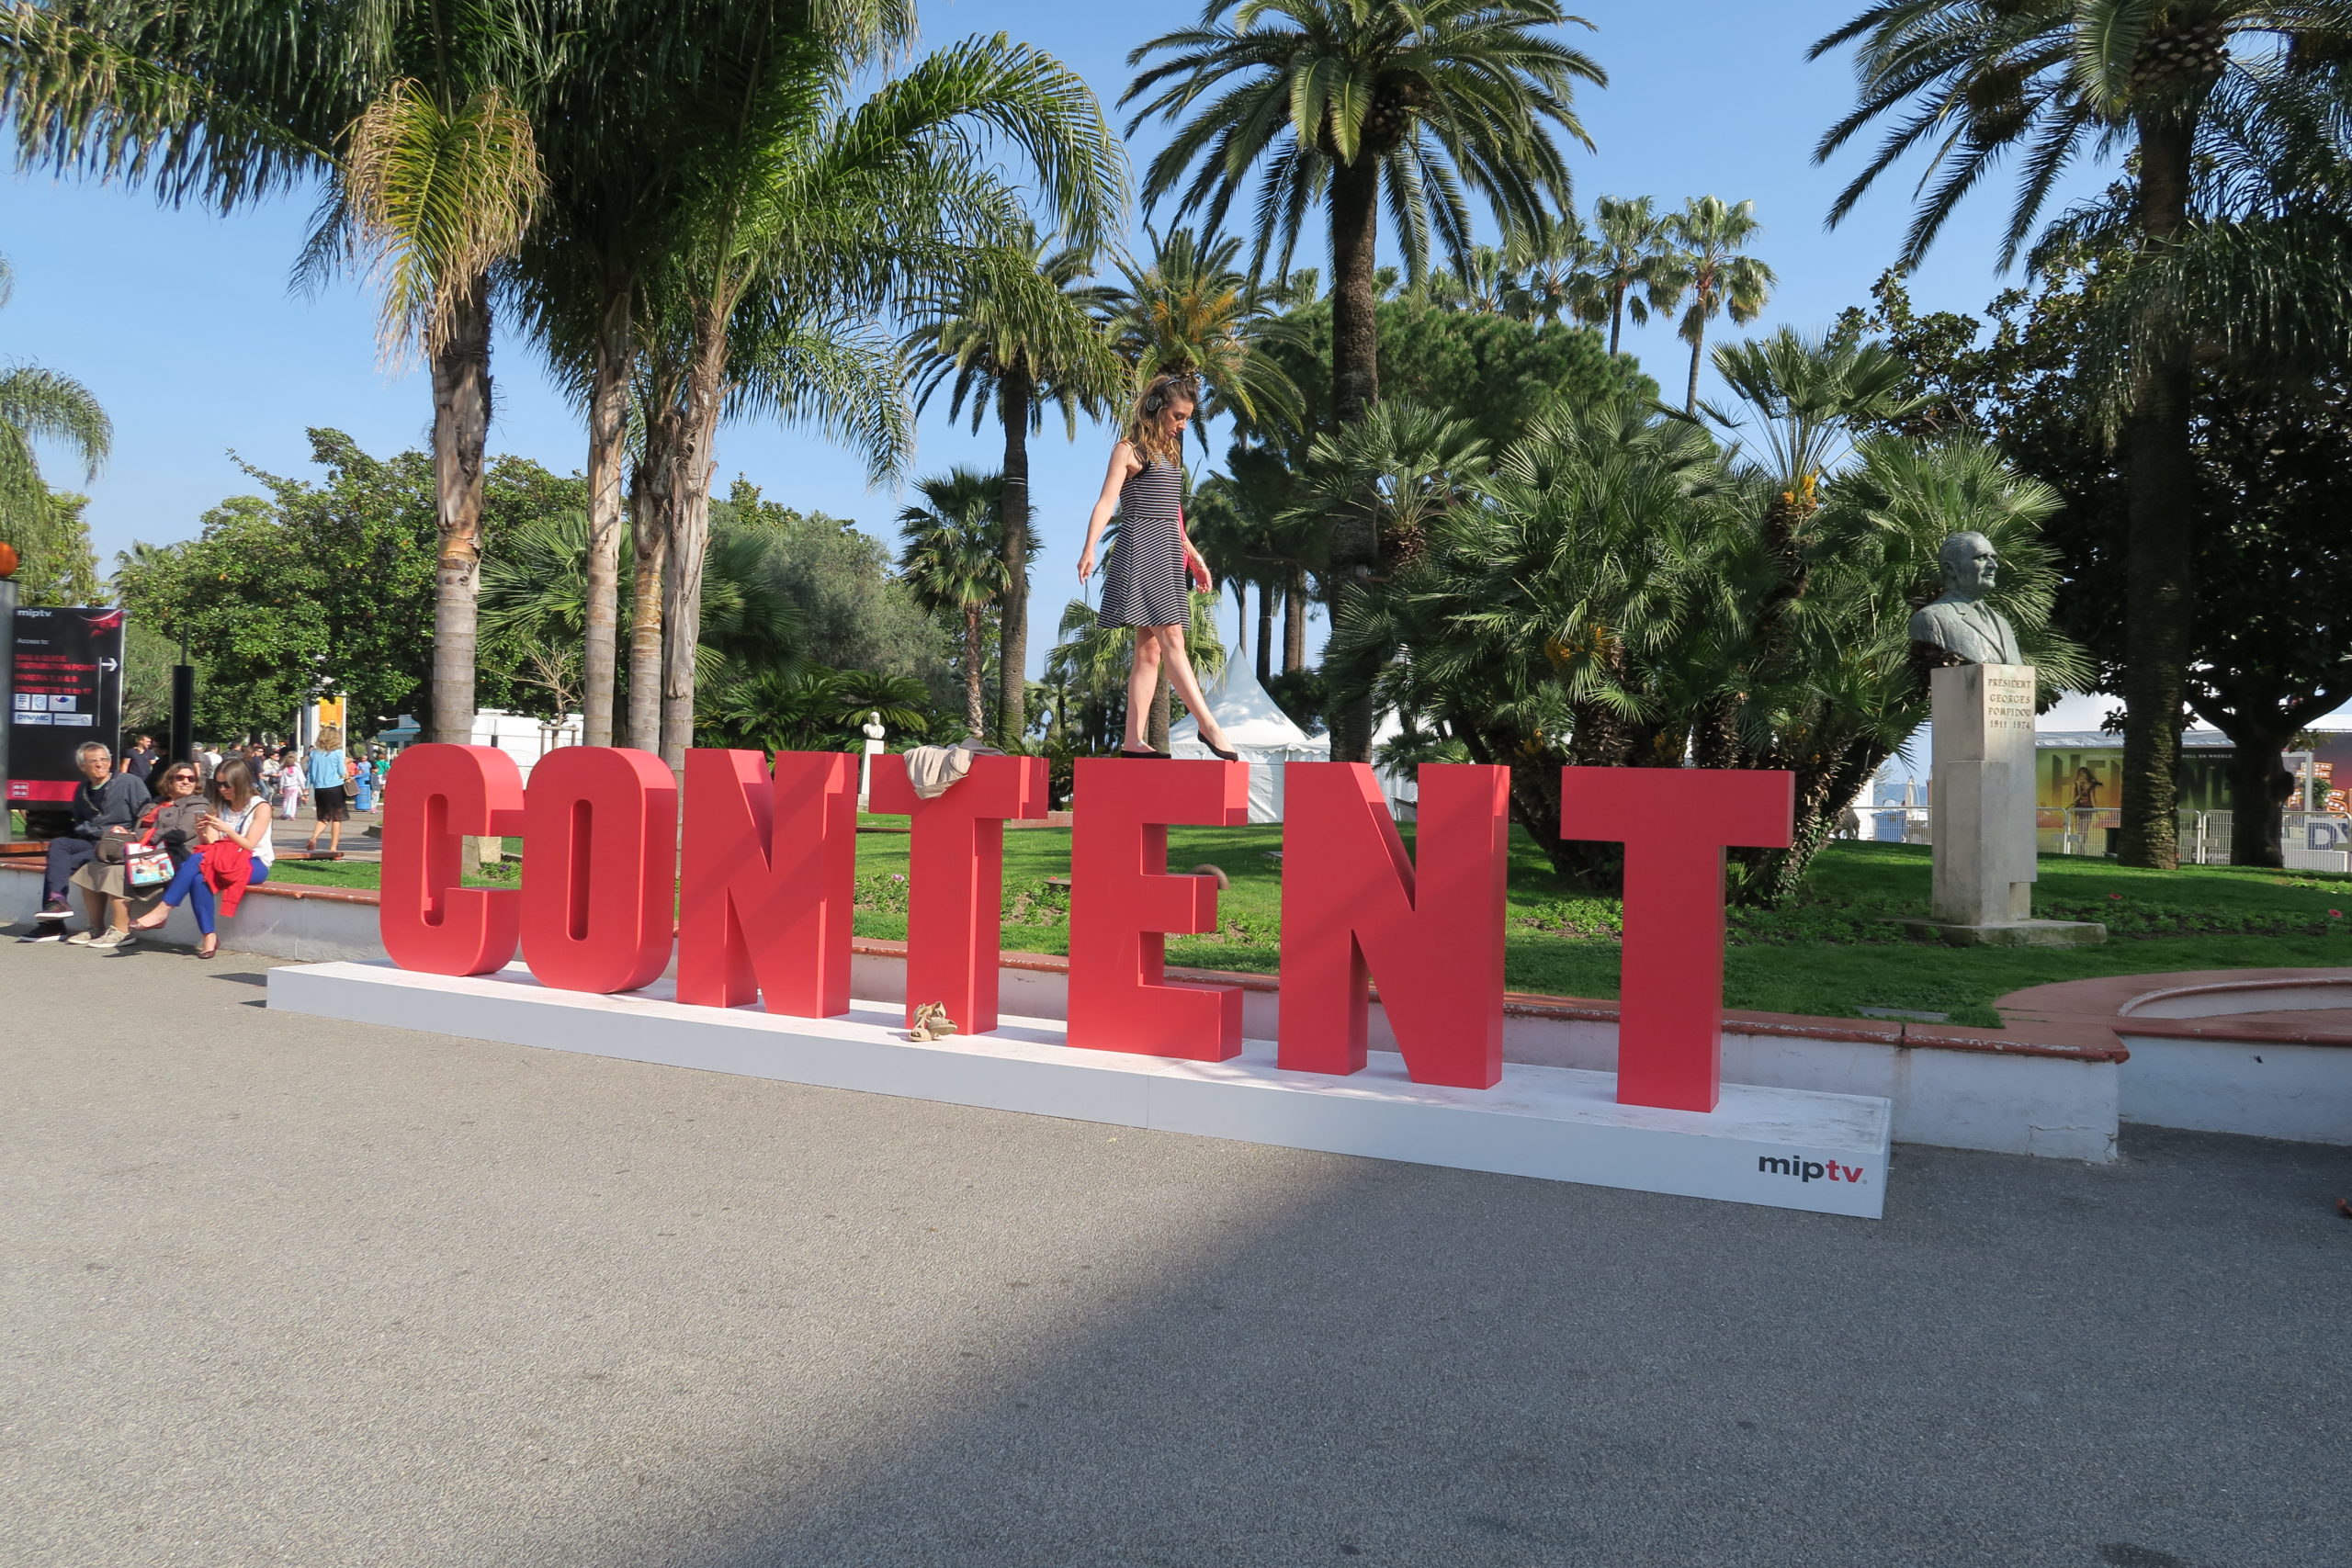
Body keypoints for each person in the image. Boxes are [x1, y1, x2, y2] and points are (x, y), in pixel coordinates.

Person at [1076, 373, 1239, 761]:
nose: (1182, 425)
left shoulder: (1171, 453)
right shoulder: (1128, 451)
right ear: (1155, 407)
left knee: (1150, 651)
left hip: (1167, 553)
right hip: (1140, 551)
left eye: (1187, 419)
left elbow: (1172, 514)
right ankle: (1208, 725)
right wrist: (1089, 547)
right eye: (1178, 416)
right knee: (1173, 640)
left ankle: (1133, 741)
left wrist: (1194, 558)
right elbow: (1106, 502)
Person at [134, 760, 275, 959]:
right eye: (219, 784)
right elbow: (213, 845)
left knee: (198, 860)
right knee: (198, 879)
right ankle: (209, 936)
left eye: (227, 784)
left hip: (255, 862)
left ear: (240, 782)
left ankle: (163, 910)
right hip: (224, 859)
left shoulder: (260, 806)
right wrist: (202, 832)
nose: (222, 789)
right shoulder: (220, 806)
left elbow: (249, 844)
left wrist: (226, 829)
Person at [69, 759, 209, 951]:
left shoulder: (198, 804)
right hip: (144, 852)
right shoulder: (156, 803)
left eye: (191, 779)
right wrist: (128, 834)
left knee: (118, 872)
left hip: (173, 857)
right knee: (92, 867)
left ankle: (121, 931)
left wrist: (146, 837)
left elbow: (183, 831)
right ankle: (95, 927)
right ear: (169, 781)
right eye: (180, 778)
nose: (186, 782)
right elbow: (138, 827)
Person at [30, 741, 152, 936]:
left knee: (61, 864)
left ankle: (53, 923)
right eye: (93, 761)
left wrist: (132, 835)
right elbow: (80, 822)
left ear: (111, 762)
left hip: (117, 844)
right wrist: (92, 831)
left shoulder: (129, 782)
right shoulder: (82, 789)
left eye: (104, 759)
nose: (100, 764)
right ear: (82, 766)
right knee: (59, 846)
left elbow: (147, 815)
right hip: (91, 841)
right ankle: (57, 903)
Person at [303, 727, 350, 854]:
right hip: (335, 788)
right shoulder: (337, 753)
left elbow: (309, 774)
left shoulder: (313, 753)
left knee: (323, 818)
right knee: (337, 818)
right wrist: (346, 765)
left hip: (319, 789)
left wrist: (306, 789)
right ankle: (333, 847)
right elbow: (341, 772)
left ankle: (314, 838)